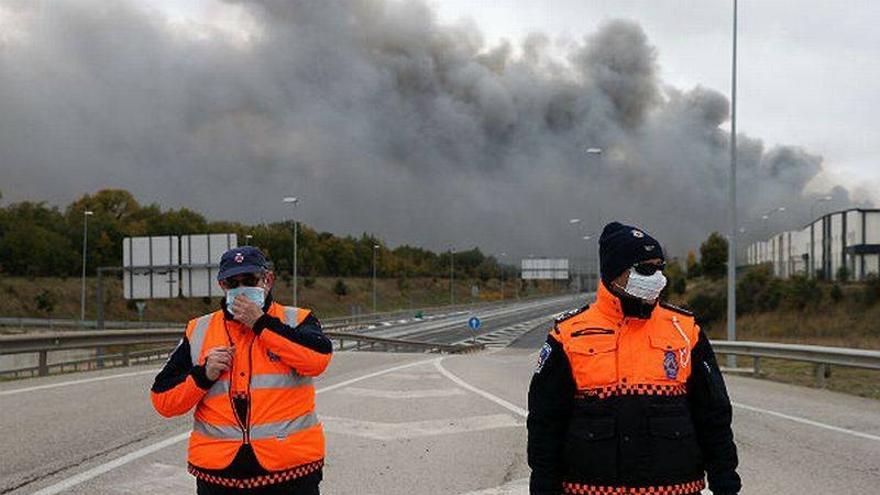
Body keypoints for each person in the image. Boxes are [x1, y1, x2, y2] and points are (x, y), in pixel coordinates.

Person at [527, 222, 741, 495]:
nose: (657, 278)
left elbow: (713, 415)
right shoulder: (568, 335)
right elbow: (545, 422)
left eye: (660, 268)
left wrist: (726, 482)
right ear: (615, 273)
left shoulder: (685, 329)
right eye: (646, 269)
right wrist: (543, 487)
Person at [151, 246, 333, 494]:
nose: (240, 288)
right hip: (219, 475)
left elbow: (318, 360)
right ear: (222, 285)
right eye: (232, 283)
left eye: (248, 280)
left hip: (290, 471)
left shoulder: (297, 320)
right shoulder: (199, 329)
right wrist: (203, 375)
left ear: (267, 280)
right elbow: (163, 401)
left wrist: (261, 323)